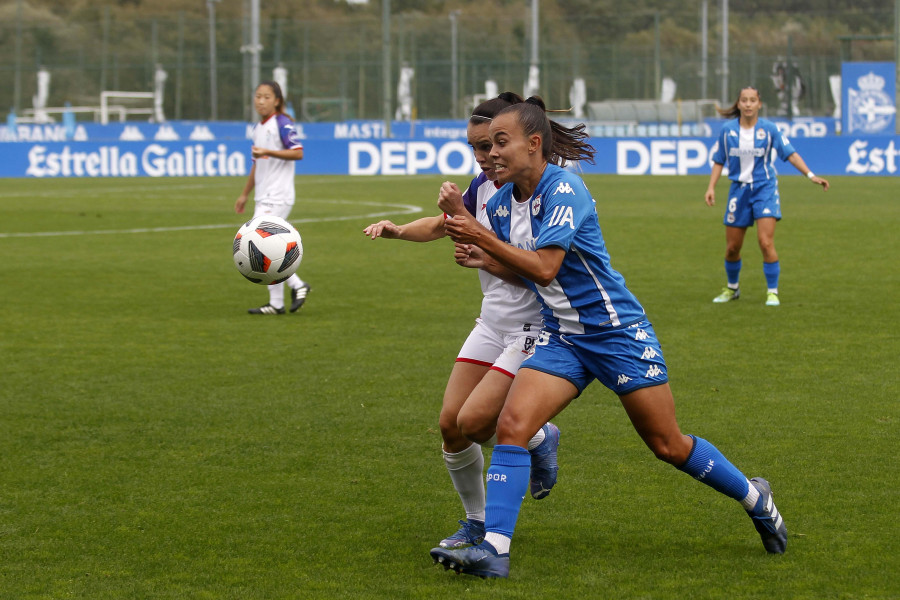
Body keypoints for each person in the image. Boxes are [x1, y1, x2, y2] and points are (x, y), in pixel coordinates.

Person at [431, 97, 787, 579]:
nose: (489, 153)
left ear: (534, 144)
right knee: (514, 426)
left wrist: (476, 231)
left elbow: (545, 266)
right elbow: (511, 263)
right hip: (563, 337)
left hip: (616, 333)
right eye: (486, 144)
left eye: (500, 142)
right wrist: (481, 250)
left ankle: (753, 495)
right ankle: (495, 548)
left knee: (667, 444)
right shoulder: (499, 200)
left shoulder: (565, 189)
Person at [362, 93, 561, 552]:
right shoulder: (485, 183)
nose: (484, 156)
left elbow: (543, 271)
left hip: (534, 326)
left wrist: (483, 257)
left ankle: (533, 438)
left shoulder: (543, 187)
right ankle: (474, 521)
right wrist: (397, 231)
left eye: (490, 145)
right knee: (451, 426)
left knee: (475, 422)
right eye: (476, 147)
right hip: (492, 321)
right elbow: (442, 224)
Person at [705, 86, 829, 307]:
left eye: (753, 100)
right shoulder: (728, 131)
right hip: (738, 190)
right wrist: (711, 187)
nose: (749, 104)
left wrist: (810, 175)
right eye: (744, 100)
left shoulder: (769, 130)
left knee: (765, 242)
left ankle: (773, 291)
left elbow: (790, 154)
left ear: (759, 104)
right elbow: (719, 160)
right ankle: (732, 288)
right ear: (739, 104)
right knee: (732, 248)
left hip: (765, 189)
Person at [236, 80, 311, 315]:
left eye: (266, 97)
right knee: (267, 247)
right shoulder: (258, 128)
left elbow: (298, 152)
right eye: (258, 96)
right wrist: (245, 194)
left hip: (278, 195)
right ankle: (277, 303)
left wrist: (267, 151)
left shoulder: (282, 123)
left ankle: (298, 285)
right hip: (264, 196)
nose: (261, 101)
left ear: (277, 101)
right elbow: (257, 165)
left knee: (259, 245)